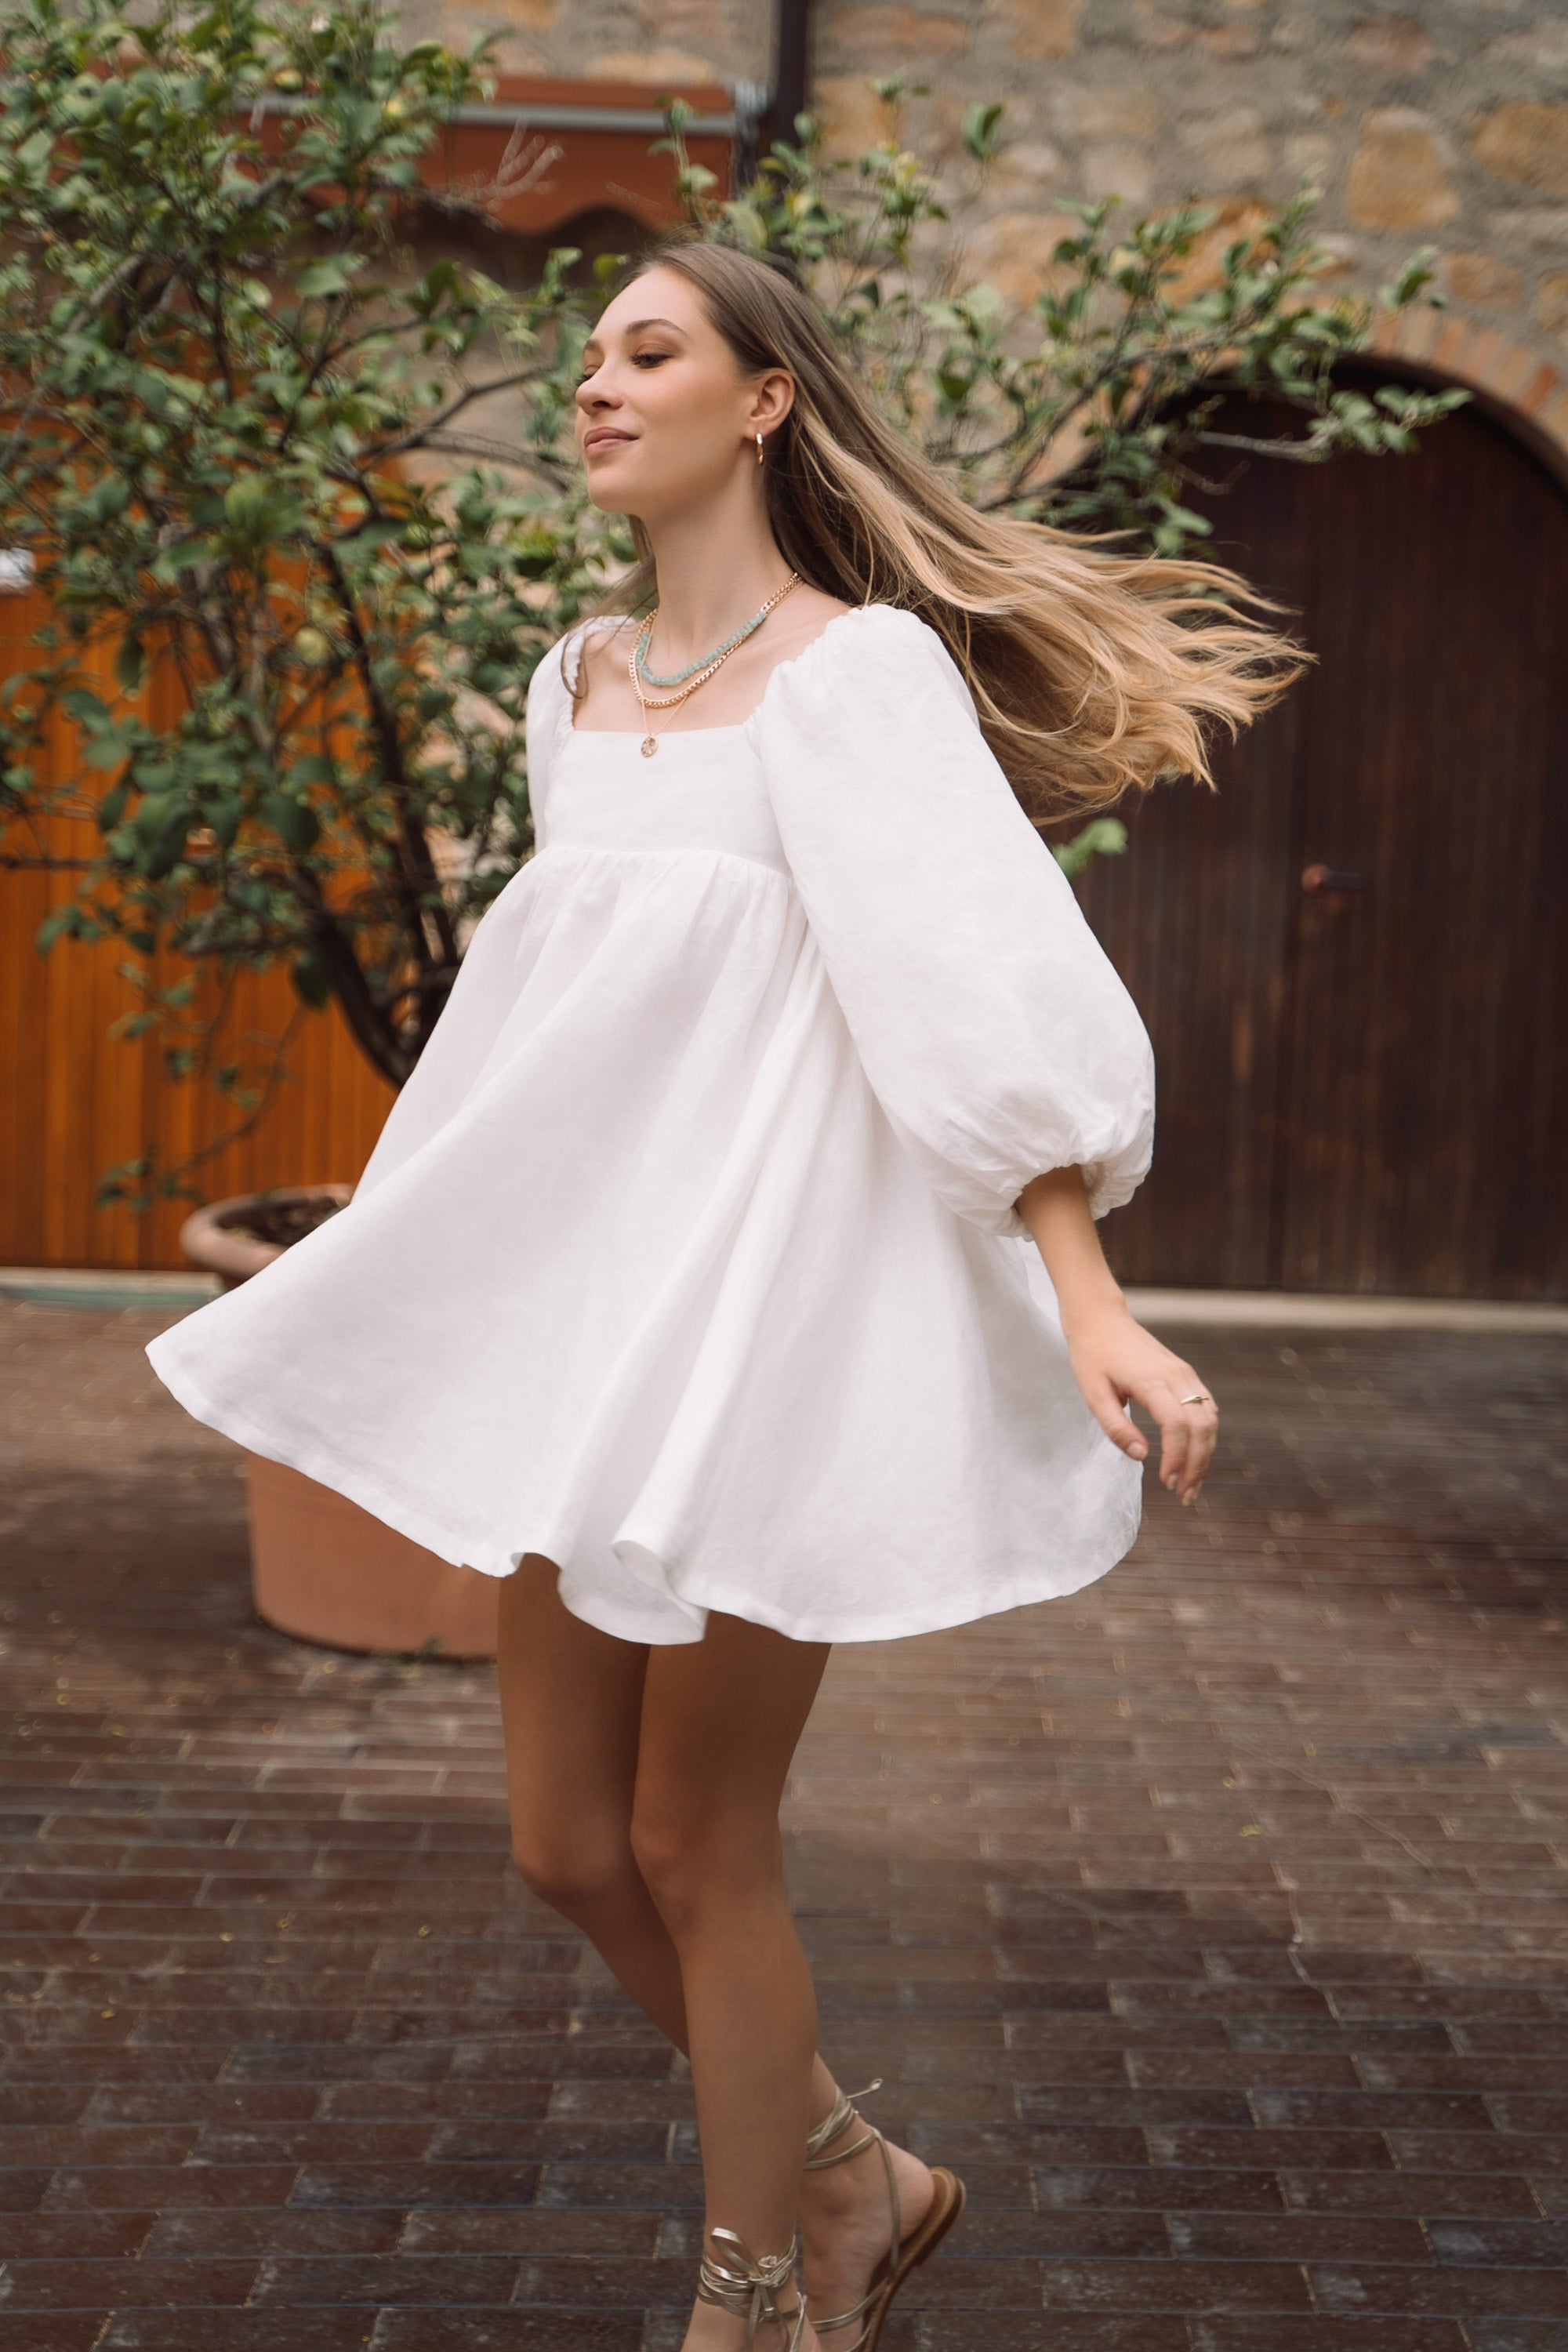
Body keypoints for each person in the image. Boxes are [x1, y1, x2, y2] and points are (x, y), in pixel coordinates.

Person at [147, 237, 1301, 2352]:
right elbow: (564, 1039)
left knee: (697, 1834)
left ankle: (764, 2286)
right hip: (593, 1337)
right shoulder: (574, 689)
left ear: (766, 400)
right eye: (588, 353)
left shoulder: (857, 680)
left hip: (770, 1337)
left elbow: (970, 992)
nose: (594, 382)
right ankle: (858, 2164)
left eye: (647, 350)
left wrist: (1089, 1295)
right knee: (567, 1843)